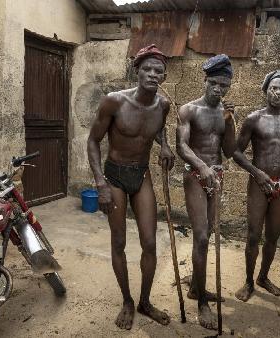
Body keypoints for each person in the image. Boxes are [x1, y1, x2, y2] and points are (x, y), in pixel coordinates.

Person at [87, 45, 175, 330]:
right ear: (136, 71)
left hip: (142, 175)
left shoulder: (163, 105)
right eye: (147, 69)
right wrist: (100, 182)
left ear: (164, 75)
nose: (152, 74)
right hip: (113, 177)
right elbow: (92, 141)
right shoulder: (114, 102)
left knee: (150, 242)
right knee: (119, 242)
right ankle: (126, 300)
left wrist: (165, 146)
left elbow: (158, 127)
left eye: (158, 70)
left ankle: (144, 301)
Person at [233, 70, 280, 302]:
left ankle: (263, 277)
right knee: (254, 235)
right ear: (266, 91)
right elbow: (236, 152)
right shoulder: (254, 119)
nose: (277, 92)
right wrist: (257, 173)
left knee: (273, 236)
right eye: (273, 88)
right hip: (258, 184)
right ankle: (248, 281)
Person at [176, 55, 236, 329]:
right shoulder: (189, 110)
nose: (218, 90)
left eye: (223, 86)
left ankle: (195, 288)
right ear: (205, 80)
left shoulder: (225, 113)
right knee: (200, 237)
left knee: (209, 234)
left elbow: (228, 151)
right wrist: (201, 166)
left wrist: (232, 122)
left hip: (217, 176)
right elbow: (182, 147)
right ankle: (202, 303)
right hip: (195, 176)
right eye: (213, 83)